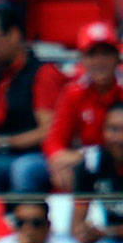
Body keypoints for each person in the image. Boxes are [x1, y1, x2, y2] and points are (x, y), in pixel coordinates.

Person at [0, 2, 63, 195]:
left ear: (14, 35)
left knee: (7, 169)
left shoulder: (43, 74)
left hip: (35, 156)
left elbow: (48, 132)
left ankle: (14, 221)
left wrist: (1, 142)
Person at [43, 23, 123, 193]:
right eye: (92, 54)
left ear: (117, 57)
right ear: (82, 60)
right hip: (84, 164)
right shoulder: (73, 93)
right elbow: (54, 142)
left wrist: (88, 157)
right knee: (33, 170)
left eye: (106, 54)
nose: (99, 61)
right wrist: (58, 163)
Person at [72, 101, 123, 243]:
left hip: (110, 239)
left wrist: (104, 232)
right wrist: (83, 234)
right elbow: (77, 220)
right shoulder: (92, 163)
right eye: (113, 130)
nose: (119, 138)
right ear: (103, 132)